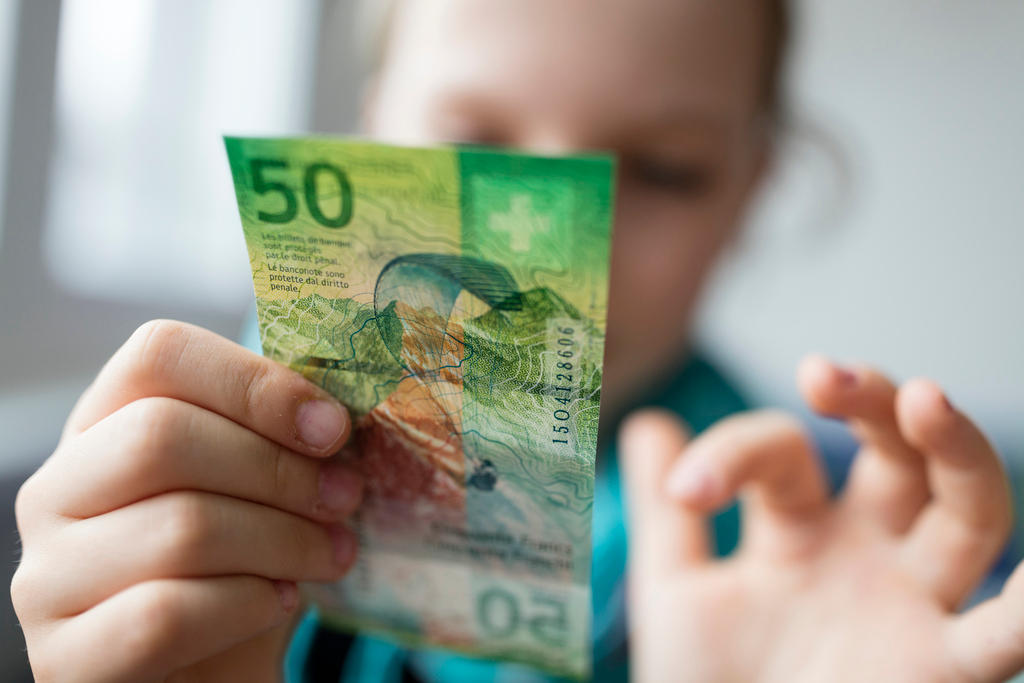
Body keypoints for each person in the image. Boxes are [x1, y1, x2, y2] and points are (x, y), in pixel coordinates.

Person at [11, 0, 1024, 681]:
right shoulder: (194, 466)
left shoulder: (813, 544)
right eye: (475, 148)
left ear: (750, 193)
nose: (545, 256)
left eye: (664, 170)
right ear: (369, 131)